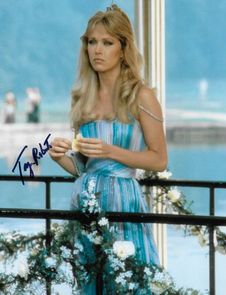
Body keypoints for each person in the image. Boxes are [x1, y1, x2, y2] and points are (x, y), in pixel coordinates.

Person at [49, 4, 167, 293]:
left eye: (107, 42)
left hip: (124, 204)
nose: (97, 50)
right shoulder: (81, 98)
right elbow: (85, 166)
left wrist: (110, 151)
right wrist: (59, 157)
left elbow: (159, 159)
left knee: (132, 284)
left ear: (123, 48)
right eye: (92, 42)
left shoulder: (142, 96)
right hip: (87, 207)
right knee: (91, 285)